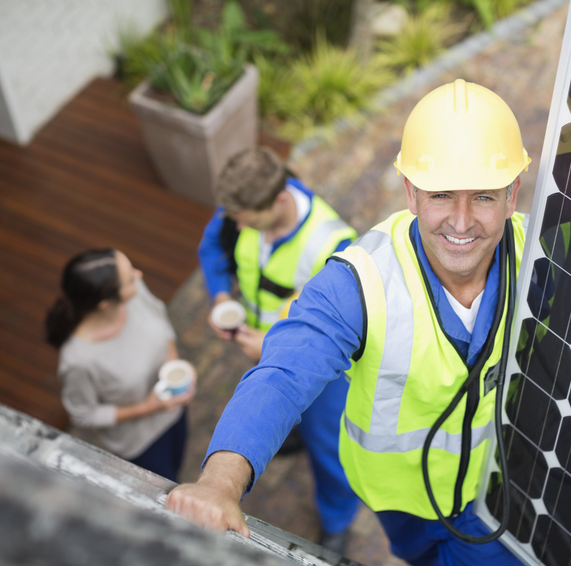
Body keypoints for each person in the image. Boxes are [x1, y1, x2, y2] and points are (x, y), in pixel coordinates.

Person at [167, 79, 528, 565]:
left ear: (513, 194)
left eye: (484, 196)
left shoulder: (543, 256)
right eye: (441, 195)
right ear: (411, 194)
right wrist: (218, 483)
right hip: (400, 498)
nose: (461, 222)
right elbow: (283, 375)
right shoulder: (359, 281)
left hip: (495, 489)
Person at [196, 147, 360, 552]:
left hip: (324, 375)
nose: (235, 224)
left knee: (332, 450)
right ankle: (292, 431)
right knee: (281, 412)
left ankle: (337, 520)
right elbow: (213, 248)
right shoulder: (244, 206)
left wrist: (270, 347)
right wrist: (219, 296)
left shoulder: (334, 244)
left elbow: (339, 329)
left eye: (244, 219)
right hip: (263, 347)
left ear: (280, 200)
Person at [45, 248, 194, 483]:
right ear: (105, 303)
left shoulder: (134, 293)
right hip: (139, 443)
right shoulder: (78, 360)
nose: (139, 274)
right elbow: (83, 414)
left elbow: (159, 315)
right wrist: (148, 407)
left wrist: (175, 365)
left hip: (174, 411)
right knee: (167, 489)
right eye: (130, 278)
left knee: (177, 463)